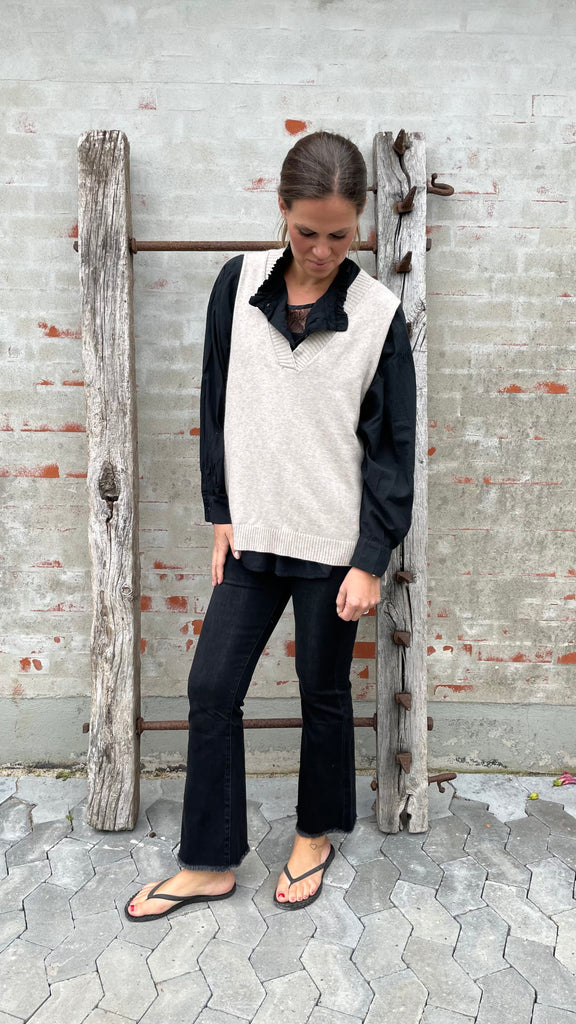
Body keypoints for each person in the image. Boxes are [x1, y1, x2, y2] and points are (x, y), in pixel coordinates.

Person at [125, 130, 416, 920]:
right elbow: (215, 398)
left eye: (340, 236)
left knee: (323, 693)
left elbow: (393, 450)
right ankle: (211, 861)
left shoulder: (379, 315)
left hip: (331, 547)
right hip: (252, 538)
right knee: (211, 688)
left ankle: (315, 835)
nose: (321, 251)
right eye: (306, 232)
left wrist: (370, 558)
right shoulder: (238, 282)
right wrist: (219, 511)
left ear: (360, 224)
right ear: (281, 210)